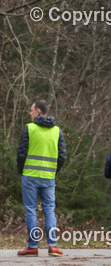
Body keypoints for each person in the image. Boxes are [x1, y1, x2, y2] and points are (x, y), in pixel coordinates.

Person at [17, 100, 67, 256]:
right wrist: (53, 171)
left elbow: (21, 153)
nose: (29, 113)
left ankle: (32, 247)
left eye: (31, 110)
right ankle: (53, 246)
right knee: (49, 210)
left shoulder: (29, 128)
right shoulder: (57, 131)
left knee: (31, 210)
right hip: (48, 177)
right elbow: (63, 156)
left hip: (30, 176)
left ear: (38, 111)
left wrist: (21, 170)